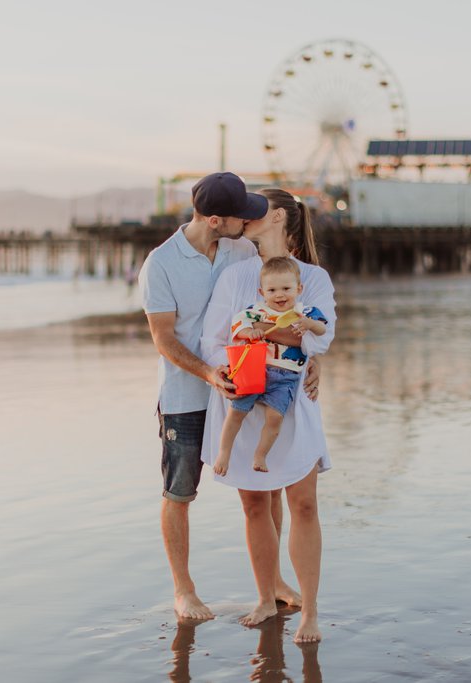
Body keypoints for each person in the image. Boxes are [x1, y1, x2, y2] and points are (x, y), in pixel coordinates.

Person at [138, 172, 313, 620]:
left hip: (247, 386)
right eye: (242, 215)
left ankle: (272, 581)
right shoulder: (160, 264)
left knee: (263, 488)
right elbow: (163, 338)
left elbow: (285, 292)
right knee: (179, 491)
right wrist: (207, 372)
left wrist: (314, 359)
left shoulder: (239, 249)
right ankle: (184, 590)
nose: (250, 220)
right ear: (216, 219)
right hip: (186, 394)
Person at [201, 188, 335, 643]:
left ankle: (310, 612)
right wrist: (231, 361)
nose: (245, 218)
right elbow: (214, 338)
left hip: (294, 401)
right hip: (243, 391)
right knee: (255, 503)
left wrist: (271, 338)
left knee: (304, 503)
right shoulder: (234, 275)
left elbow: (321, 337)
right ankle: (264, 597)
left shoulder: (314, 277)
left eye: (255, 212)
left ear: (278, 216)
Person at [214, 257, 328, 475]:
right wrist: (251, 332)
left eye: (286, 288)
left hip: (287, 376)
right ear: (262, 292)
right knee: (237, 412)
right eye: (272, 290)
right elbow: (238, 326)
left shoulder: (305, 312)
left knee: (275, 417)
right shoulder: (256, 311)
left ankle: (260, 454)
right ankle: (224, 452)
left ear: (299, 288)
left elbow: (323, 330)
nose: (279, 295)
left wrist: (309, 324)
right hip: (257, 370)